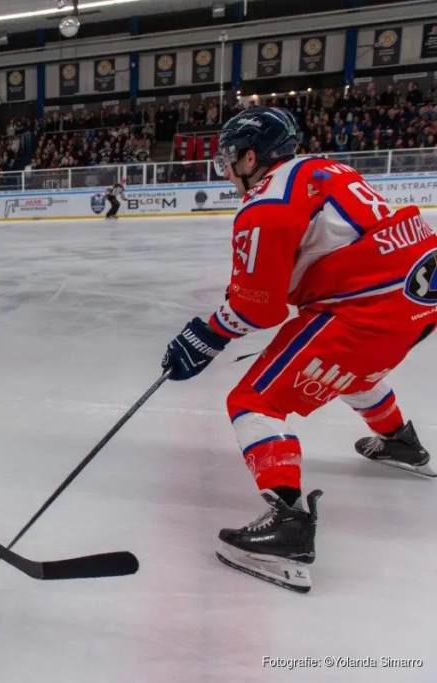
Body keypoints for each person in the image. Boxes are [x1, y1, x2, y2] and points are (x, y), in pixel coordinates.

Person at [160, 106, 436, 594]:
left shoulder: (263, 206)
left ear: (251, 156)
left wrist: (205, 336)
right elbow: (315, 252)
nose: (227, 171)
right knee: (354, 370)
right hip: (422, 294)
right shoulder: (325, 168)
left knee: (253, 401)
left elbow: (258, 309)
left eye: (230, 160)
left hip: (366, 306)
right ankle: (400, 441)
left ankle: (288, 526)